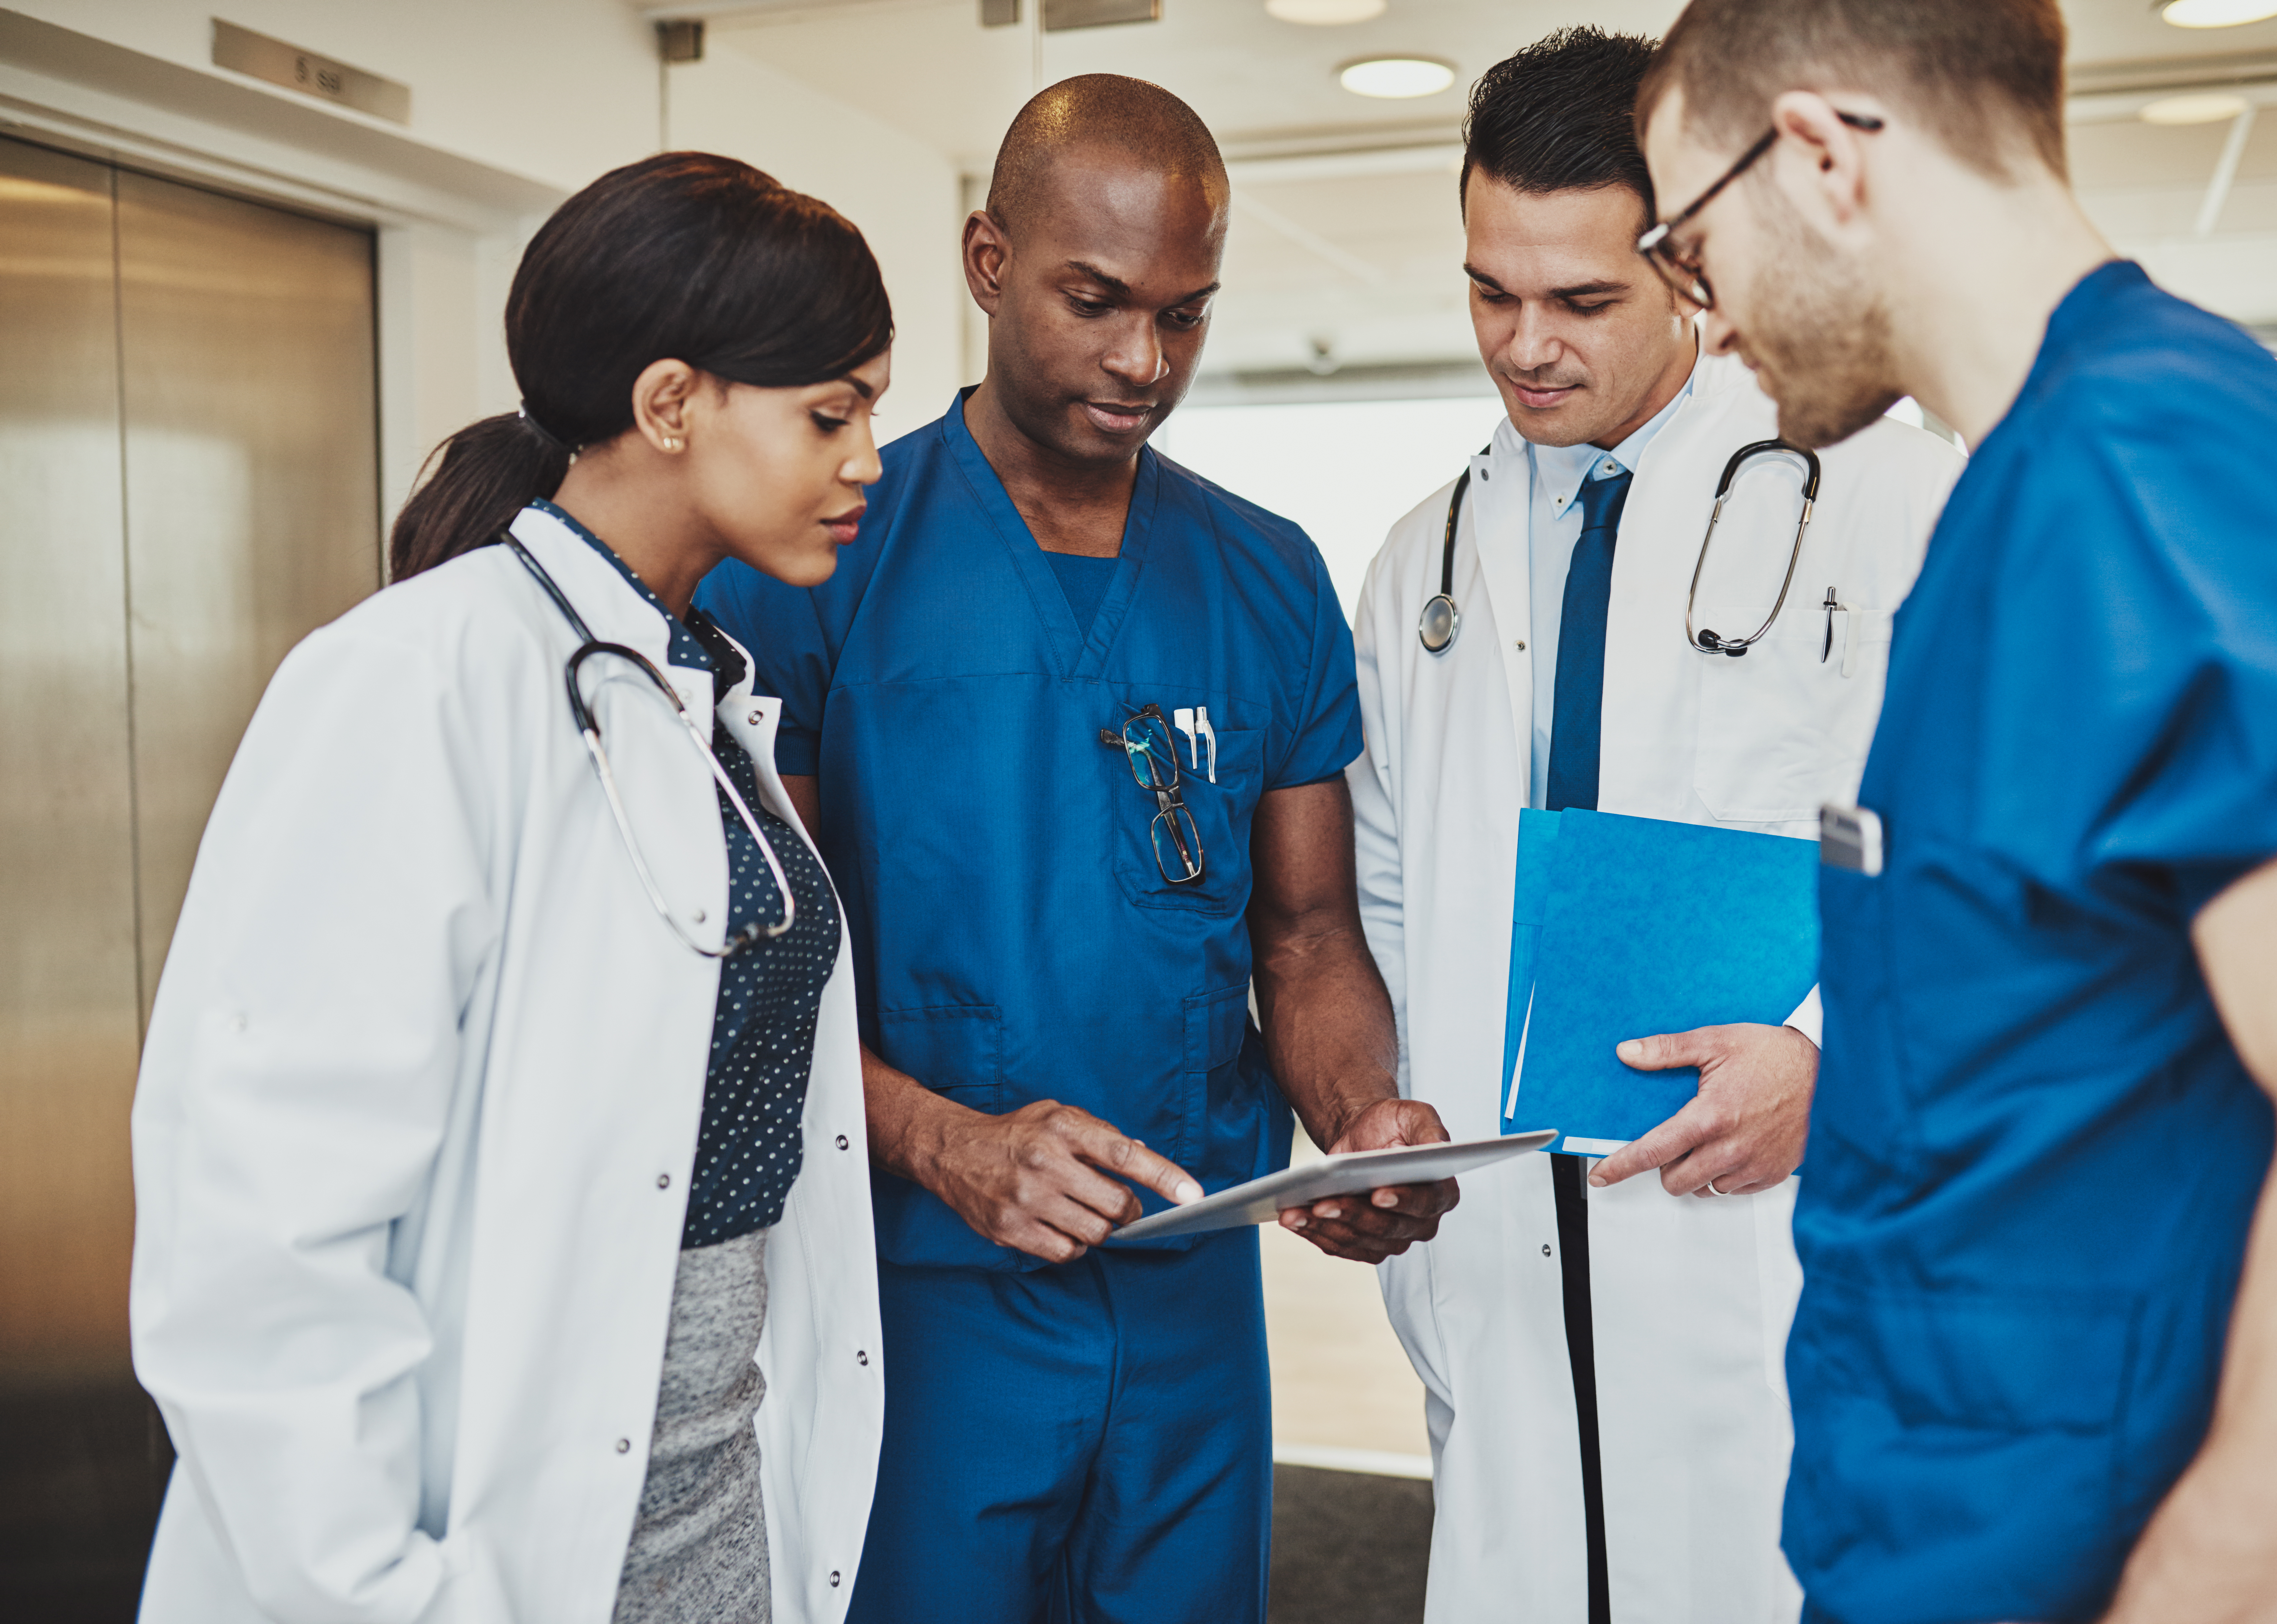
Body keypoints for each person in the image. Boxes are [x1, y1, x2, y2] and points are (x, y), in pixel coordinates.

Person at [1631, 3, 2277, 1622]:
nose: (1700, 324)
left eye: (1688, 248)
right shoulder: (2021, 498)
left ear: (1818, 155)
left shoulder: (2145, 463)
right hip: (1945, 1539)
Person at [697, 74, 1456, 1624]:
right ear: (986, 263)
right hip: (922, 1295)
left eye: (1185, 315)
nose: (1142, 360)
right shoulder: (827, 561)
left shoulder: (1265, 574)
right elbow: (745, 976)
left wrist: (1364, 1118)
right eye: (1096, 301)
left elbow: (1303, 936)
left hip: (1191, 1301)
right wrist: (944, 1142)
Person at [128, 152, 894, 1623]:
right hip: (477, 1552)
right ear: (672, 404)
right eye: (831, 411)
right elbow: (262, 1232)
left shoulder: (696, 695)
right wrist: (384, 1593)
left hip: (706, 1502)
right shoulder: (416, 680)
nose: (869, 455)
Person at [1346, 27, 1960, 1623]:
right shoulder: (1423, 558)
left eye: (1581, 300)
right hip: (1499, 1271)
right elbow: (1393, 892)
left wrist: (1830, 1057)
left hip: (1761, 1260)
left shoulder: (1873, 496)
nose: (1524, 344)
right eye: (1491, 290)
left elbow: (1968, 867)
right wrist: (1387, 1115)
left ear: (1687, 264)